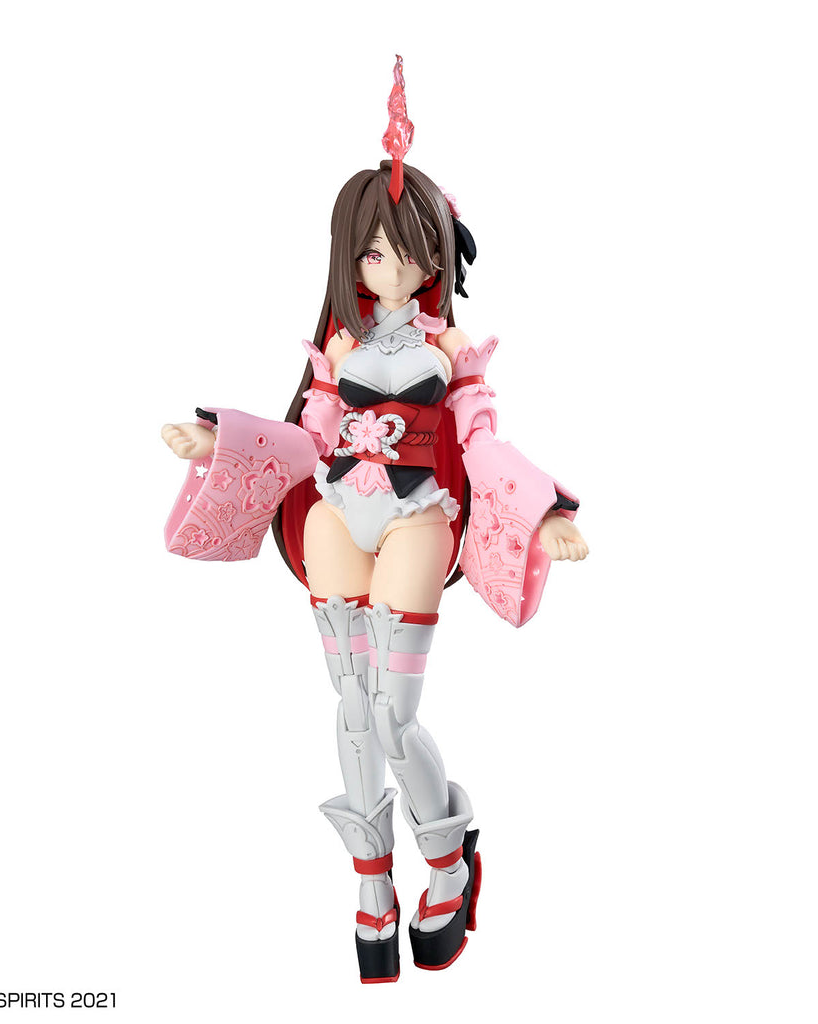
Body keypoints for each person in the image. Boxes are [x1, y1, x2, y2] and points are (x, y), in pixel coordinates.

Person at [161, 57, 588, 983]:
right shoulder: (340, 343)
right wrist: (223, 438)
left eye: (395, 247)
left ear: (433, 252)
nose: (380, 265)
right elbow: (306, 439)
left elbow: (481, 445)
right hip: (335, 516)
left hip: (415, 518)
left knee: (395, 718)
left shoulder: (452, 349)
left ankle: (447, 857)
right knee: (352, 710)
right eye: (366, 251)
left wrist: (543, 508)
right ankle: (369, 880)